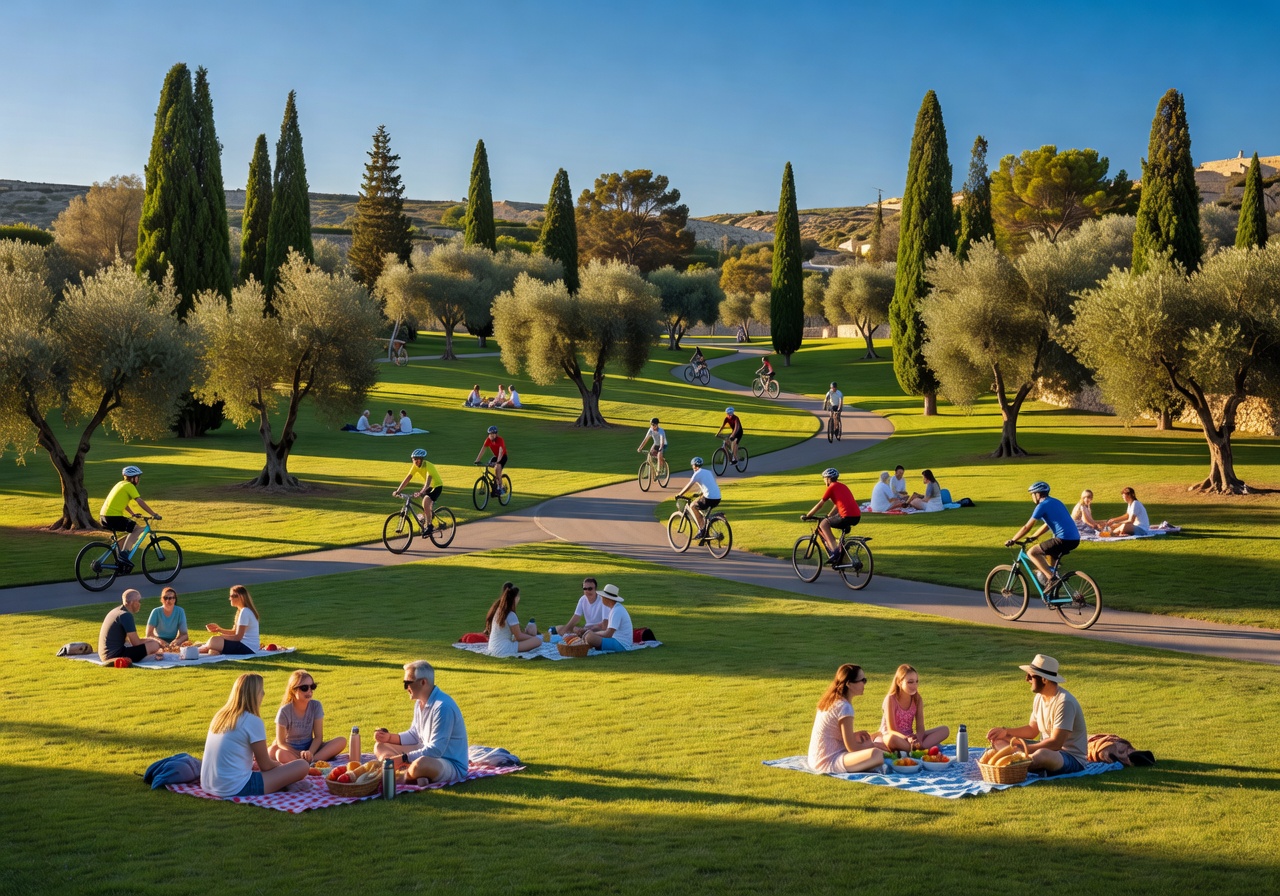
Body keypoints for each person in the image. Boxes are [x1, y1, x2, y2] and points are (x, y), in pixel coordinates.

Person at [201, 673, 309, 798]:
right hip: (234, 787)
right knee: (302, 765)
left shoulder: (220, 716)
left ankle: (283, 782)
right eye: (261, 690)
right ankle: (285, 783)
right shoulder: (252, 720)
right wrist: (280, 766)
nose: (263, 694)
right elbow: (265, 766)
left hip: (208, 784)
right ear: (254, 694)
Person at [986, 654, 1089, 776]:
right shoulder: (1039, 698)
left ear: (1044, 679)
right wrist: (1006, 732)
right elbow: (1032, 730)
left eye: (1031, 676)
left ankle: (1018, 761)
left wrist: (1023, 749)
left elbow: (1056, 743)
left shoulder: (1065, 702)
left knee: (1042, 755)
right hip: (1044, 749)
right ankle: (1020, 761)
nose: (1027, 679)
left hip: (1069, 757)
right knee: (999, 741)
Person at [373, 660, 469, 785]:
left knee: (421, 763)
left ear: (423, 682)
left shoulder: (443, 707)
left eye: (408, 683)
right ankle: (412, 775)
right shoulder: (420, 703)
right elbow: (414, 734)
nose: (406, 688)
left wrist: (404, 758)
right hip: (425, 751)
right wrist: (389, 737)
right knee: (380, 746)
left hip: (449, 763)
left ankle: (401, 774)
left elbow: (436, 750)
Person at [807, 663, 884, 774]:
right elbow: (852, 747)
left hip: (816, 758)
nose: (864, 684)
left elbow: (834, 734)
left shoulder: (833, 701)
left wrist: (855, 735)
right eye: (862, 680)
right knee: (876, 754)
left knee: (871, 742)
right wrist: (870, 745)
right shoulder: (844, 707)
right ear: (849, 684)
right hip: (828, 761)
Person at [1006, 481, 1080, 584]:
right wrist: (1034, 536)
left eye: (1032, 494)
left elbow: (1026, 527)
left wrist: (1013, 540)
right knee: (1051, 560)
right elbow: (1047, 525)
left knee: (1032, 552)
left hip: (1063, 539)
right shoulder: (1056, 502)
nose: (1032, 497)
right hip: (1075, 539)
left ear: (1037, 494)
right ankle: (1053, 587)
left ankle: (1051, 578)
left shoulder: (1042, 506)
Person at [268, 669, 347, 764]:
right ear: (293, 690)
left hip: (311, 747)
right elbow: (281, 742)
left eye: (312, 687)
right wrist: (300, 754)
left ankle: (311, 762)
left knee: (341, 741)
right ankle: (304, 763)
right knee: (278, 753)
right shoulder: (285, 711)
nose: (309, 691)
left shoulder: (316, 706)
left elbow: (318, 737)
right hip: (290, 750)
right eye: (304, 688)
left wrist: (310, 753)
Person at [877, 664, 950, 753]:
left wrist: (918, 738)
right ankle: (918, 748)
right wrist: (906, 739)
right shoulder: (891, 699)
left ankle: (916, 747)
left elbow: (920, 727)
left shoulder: (917, 699)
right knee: (891, 739)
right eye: (910, 682)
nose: (914, 685)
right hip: (893, 736)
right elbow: (891, 730)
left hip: (910, 736)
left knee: (945, 730)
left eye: (916, 681)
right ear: (899, 682)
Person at [99, 464, 160, 565]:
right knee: (137, 529)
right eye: (138, 477)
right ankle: (124, 555)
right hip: (113, 517)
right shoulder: (129, 486)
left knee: (130, 531)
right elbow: (139, 501)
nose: (138, 480)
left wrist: (133, 514)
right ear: (133, 478)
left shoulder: (120, 484)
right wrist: (153, 514)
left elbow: (123, 503)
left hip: (104, 516)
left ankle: (119, 558)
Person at [802, 468, 861, 565]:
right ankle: (841, 554)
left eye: (824, 478)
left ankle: (835, 552)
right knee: (828, 521)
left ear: (828, 479)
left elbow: (820, 504)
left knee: (823, 524)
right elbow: (838, 505)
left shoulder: (831, 487)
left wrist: (808, 515)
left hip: (846, 516)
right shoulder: (842, 486)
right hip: (856, 516)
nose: (824, 480)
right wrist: (829, 515)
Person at [98, 588, 161, 662]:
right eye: (139, 601)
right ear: (132, 602)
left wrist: (148, 640)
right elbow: (136, 643)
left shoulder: (117, 611)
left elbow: (129, 640)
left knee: (149, 642)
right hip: (115, 656)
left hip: (104, 654)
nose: (140, 604)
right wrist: (155, 640)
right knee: (154, 645)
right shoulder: (126, 615)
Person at [200, 584, 261, 656]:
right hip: (247, 646)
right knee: (214, 641)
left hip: (247, 647)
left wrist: (222, 636)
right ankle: (211, 649)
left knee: (214, 640)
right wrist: (219, 629)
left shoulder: (245, 611)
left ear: (240, 597)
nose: (229, 598)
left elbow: (238, 637)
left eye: (231, 596)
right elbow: (234, 632)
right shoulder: (241, 611)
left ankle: (206, 649)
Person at [484, 583, 543, 656]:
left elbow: (516, 635)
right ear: (515, 598)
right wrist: (533, 637)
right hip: (503, 649)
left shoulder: (499, 611)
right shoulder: (511, 615)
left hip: (493, 647)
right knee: (537, 641)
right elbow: (519, 636)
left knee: (529, 639)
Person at [393, 448, 443, 532]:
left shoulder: (428, 466)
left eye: (417, 459)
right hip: (430, 487)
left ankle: (430, 526)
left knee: (425, 501)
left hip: (437, 486)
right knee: (424, 505)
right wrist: (398, 490)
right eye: (413, 459)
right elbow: (408, 478)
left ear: (422, 459)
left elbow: (427, 483)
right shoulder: (415, 466)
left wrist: (420, 492)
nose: (415, 461)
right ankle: (427, 515)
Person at [675, 456, 721, 541]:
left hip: (709, 498)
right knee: (701, 507)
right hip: (717, 498)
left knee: (693, 506)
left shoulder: (696, 474)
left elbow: (688, 486)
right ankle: (706, 527)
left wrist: (679, 494)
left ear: (694, 466)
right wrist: (700, 493)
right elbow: (709, 485)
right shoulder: (708, 472)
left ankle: (701, 530)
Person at [583, 583, 633, 653]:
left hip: (621, 644)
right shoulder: (615, 608)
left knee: (589, 637)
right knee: (589, 635)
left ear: (607, 599)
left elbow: (608, 634)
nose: (601, 599)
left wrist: (594, 633)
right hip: (619, 641)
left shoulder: (616, 610)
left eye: (603, 597)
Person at [475, 425, 507, 495]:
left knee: (497, 470)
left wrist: (497, 462)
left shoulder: (500, 440)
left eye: (493, 434)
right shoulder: (488, 440)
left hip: (503, 457)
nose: (491, 435)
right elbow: (483, 449)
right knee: (489, 467)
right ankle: (494, 485)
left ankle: (501, 487)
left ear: (496, 434)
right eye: (490, 434)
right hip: (496, 456)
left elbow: (501, 452)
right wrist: (477, 460)